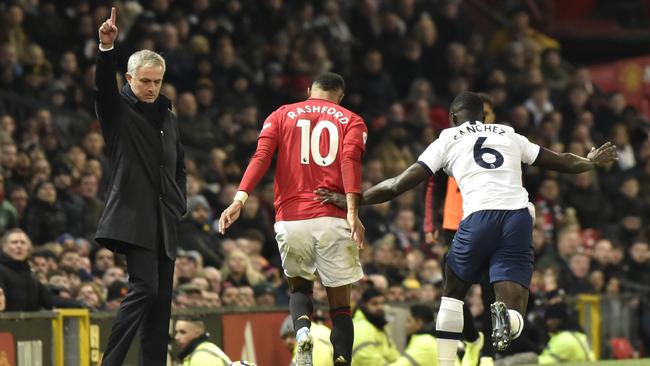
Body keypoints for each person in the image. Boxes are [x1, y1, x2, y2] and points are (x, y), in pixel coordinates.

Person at [316, 91, 617, 365]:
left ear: (453, 118)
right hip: (518, 217)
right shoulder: (510, 134)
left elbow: (397, 184)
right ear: (485, 117)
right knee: (514, 295)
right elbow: (561, 161)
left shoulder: (448, 138)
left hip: (478, 217)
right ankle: (509, 320)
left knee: (453, 291)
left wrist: (351, 200)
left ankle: (447, 362)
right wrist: (589, 162)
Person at [219, 72, 367, 366]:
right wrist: (353, 210)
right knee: (341, 307)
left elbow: (261, 156)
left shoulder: (282, 114)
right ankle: (340, 360)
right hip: (332, 219)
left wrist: (240, 198)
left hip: (291, 218)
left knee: (300, 288)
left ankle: (301, 333)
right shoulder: (351, 119)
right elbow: (350, 160)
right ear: (340, 96)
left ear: (309, 89)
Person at [95, 8, 187, 366]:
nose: (151, 88)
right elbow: (103, 88)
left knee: (161, 304)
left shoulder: (168, 116)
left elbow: (179, 164)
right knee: (145, 288)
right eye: (144, 81)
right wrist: (106, 49)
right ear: (130, 78)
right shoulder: (118, 113)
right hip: (134, 218)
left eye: (156, 81)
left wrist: (181, 202)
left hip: (165, 220)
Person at [350, 288, 399, 366]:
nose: (380, 307)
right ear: (364, 306)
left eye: (382, 303)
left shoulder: (380, 326)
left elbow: (392, 353)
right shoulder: (361, 327)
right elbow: (366, 358)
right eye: (374, 304)